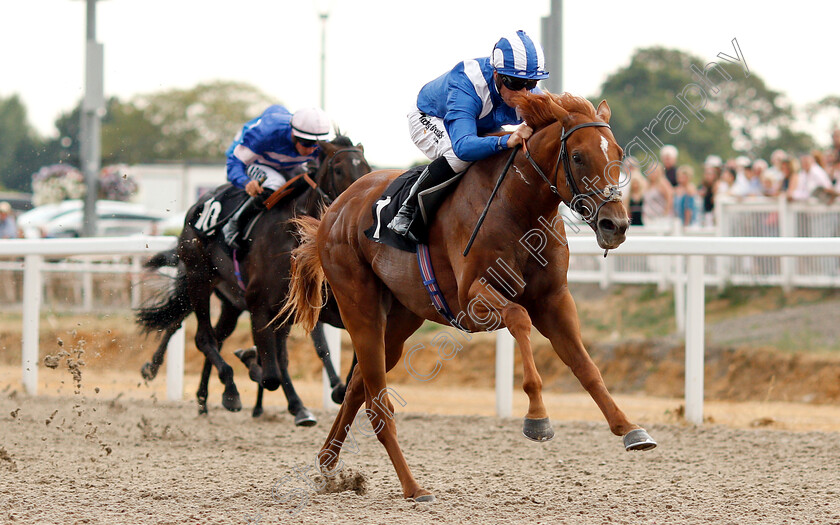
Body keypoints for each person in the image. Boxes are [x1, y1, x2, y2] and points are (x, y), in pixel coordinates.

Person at [387, 30, 548, 239]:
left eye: (531, 84)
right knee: (458, 156)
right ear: (497, 75)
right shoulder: (468, 83)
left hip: (476, 124)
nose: (525, 93)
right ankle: (407, 210)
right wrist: (506, 139)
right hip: (431, 118)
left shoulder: (527, 92)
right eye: (516, 84)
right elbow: (463, 147)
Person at [221, 105, 330, 249]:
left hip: (288, 165)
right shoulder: (266, 134)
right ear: (293, 134)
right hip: (254, 162)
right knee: (276, 183)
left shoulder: (318, 143)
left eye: (316, 144)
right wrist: (246, 182)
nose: (311, 149)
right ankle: (235, 222)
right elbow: (234, 164)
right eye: (307, 143)